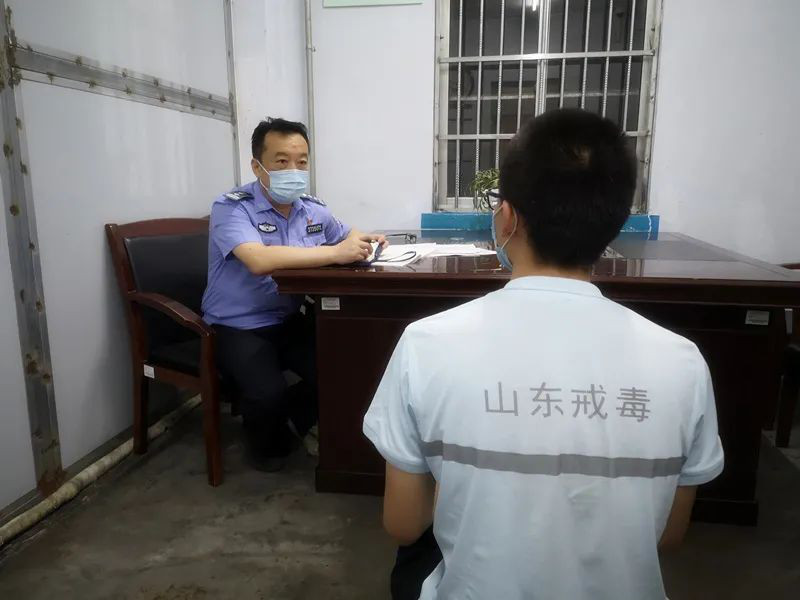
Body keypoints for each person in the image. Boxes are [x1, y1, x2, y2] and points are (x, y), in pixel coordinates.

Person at [363, 109, 724, 600]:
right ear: (615, 225)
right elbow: (667, 535)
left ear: (507, 218)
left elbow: (404, 524)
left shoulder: (426, 343)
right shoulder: (682, 362)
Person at [202, 117, 386, 472]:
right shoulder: (232, 207)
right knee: (267, 395)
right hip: (237, 326)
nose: (294, 171)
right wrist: (335, 254)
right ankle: (267, 442)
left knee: (346, 366)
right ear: (257, 166)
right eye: (282, 161)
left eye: (301, 162)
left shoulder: (312, 208)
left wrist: (368, 239)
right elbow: (258, 260)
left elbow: (346, 234)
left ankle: (294, 418)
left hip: (288, 320)